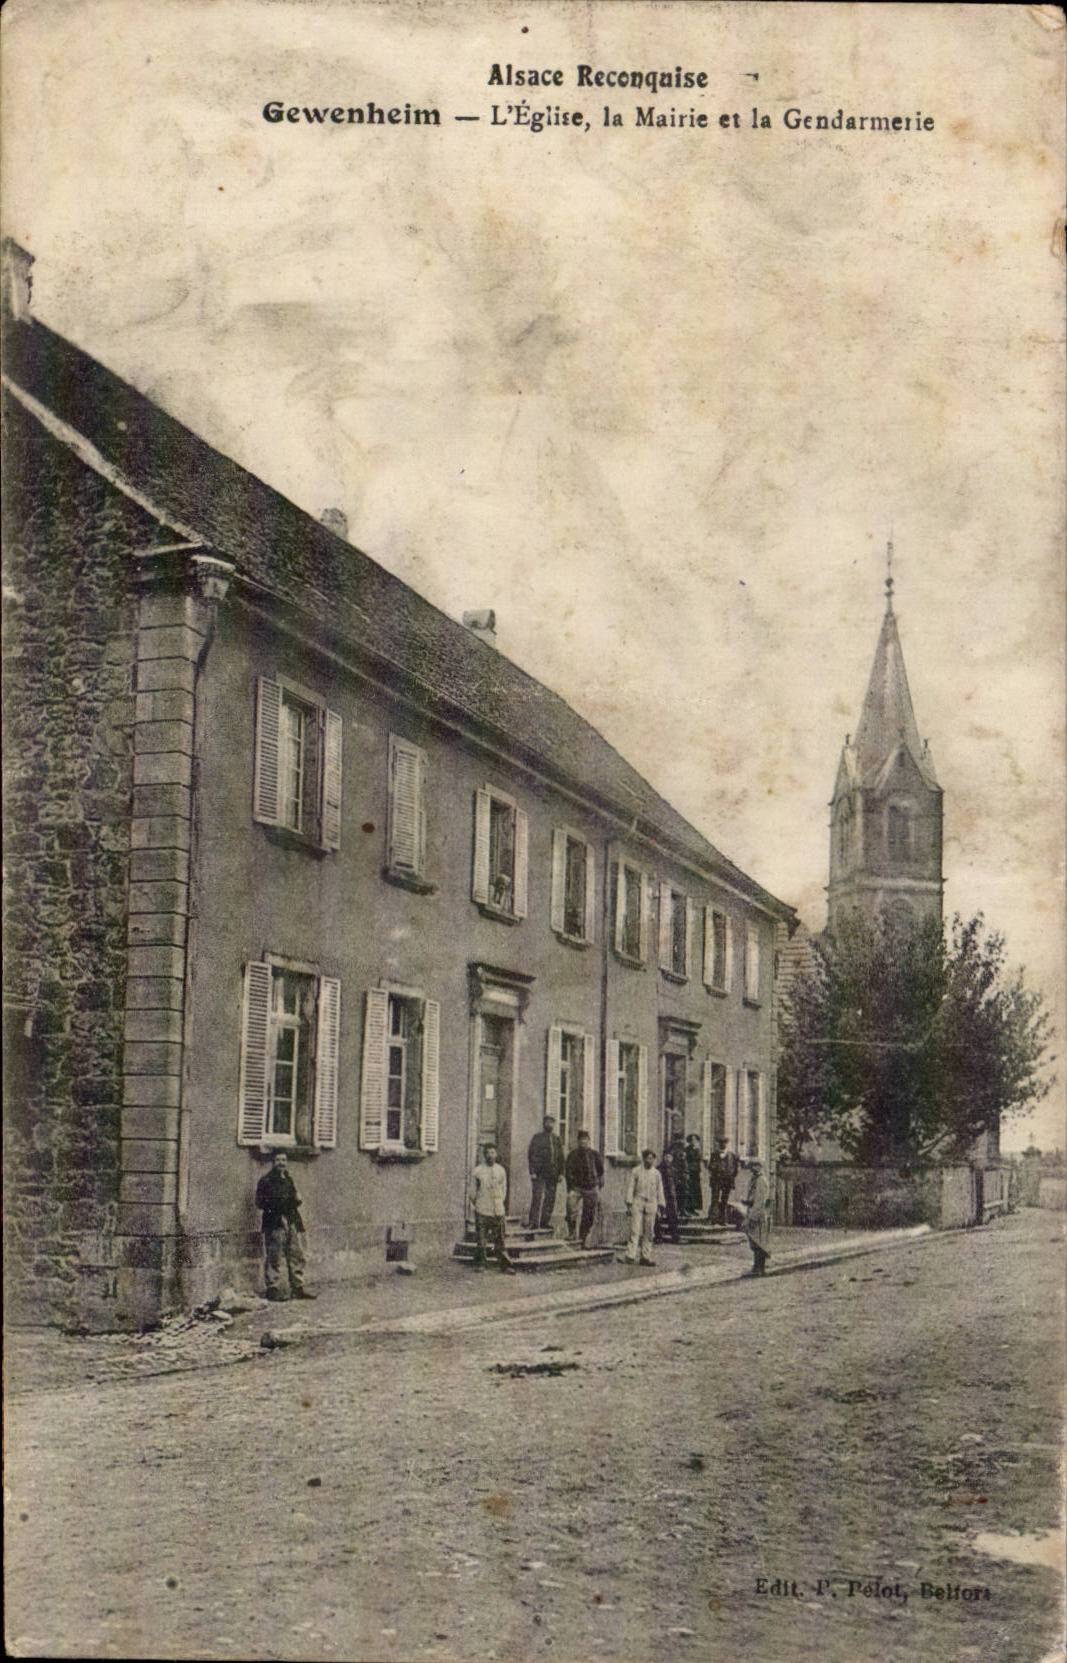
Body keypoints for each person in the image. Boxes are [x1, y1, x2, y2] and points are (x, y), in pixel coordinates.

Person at [255, 1150, 317, 1301]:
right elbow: (260, 1203)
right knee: (274, 1256)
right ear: (273, 1162)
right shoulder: (266, 1181)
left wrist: (297, 1200)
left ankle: (298, 1287)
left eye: (284, 1160)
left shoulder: (288, 1180)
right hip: (275, 1222)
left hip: (291, 1221)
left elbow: (295, 1199)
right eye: (278, 1160)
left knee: (296, 1255)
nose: (281, 1163)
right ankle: (273, 1289)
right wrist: (277, 1205)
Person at [469, 1143, 516, 1272]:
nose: (490, 1155)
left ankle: (504, 1266)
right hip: (482, 1209)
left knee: (500, 1240)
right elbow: (472, 1192)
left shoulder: (501, 1170)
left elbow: (504, 1190)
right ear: (484, 1155)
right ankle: (481, 1264)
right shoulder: (477, 1171)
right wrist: (479, 1203)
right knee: (481, 1240)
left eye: (493, 1152)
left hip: (497, 1210)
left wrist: (499, 1202)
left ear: (496, 1154)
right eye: (488, 1153)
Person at [624, 1148, 666, 1265]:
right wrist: (629, 1203)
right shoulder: (636, 1171)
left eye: (652, 1159)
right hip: (638, 1200)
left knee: (649, 1231)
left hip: (652, 1203)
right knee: (635, 1230)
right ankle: (630, 1255)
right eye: (648, 1158)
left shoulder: (657, 1174)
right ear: (643, 1159)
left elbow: (660, 1190)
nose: (650, 1161)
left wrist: (661, 1206)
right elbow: (631, 1187)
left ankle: (645, 1256)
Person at [564, 1130, 604, 1248]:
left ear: (589, 1140)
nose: (583, 1142)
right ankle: (572, 1232)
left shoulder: (595, 1155)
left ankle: (583, 1237)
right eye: (581, 1140)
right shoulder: (573, 1155)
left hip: (591, 1188)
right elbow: (568, 1172)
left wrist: (598, 1186)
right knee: (571, 1208)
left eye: (585, 1139)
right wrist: (570, 1187)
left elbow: (601, 1171)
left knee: (589, 1215)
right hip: (577, 1188)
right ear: (578, 1141)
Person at [527, 1115, 565, 1230]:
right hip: (539, 1173)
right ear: (544, 1124)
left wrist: (561, 1173)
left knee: (550, 1198)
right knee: (537, 1197)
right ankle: (533, 1222)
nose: (549, 1125)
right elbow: (531, 1155)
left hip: (553, 1174)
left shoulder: (557, 1139)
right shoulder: (537, 1138)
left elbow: (561, 1158)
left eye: (552, 1123)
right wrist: (532, 1171)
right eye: (547, 1122)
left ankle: (545, 1222)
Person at [743, 1158, 772, 1275]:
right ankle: (757, 1267)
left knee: (759, 1242)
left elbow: (760, 1201)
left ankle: (760, 1268)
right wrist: (747, 1201)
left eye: (755, 1166)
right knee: (754, 1242)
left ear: (760, 1167)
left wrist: (751, 1218)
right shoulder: (753, 1179)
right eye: (752, 1166)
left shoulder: (761, 1181)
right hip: (753, 1211)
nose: (752, 1168)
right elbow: (753, 1198)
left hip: (759, 1215)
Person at [707, 1137, 740, 1224]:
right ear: (718, 1144)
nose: (723, 1145)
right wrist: (715, 1168)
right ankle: (713, 1219)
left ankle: (723, 1220)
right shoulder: (714, 1155)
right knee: (714, 1199)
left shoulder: (733, 1156)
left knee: (724, 1200)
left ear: (727, 1144)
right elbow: (710, 1167)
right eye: (721, 1143)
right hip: (716, 1180)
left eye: (725, 1143)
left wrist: (731, 1177)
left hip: (727, 1181)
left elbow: (736, 1170)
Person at [655, 1149, 681, 1243]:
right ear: (663, 1157)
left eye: (670, 1157)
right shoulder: (658, 1169)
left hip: (671, 1196)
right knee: (658, 1216)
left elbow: (677, 1183)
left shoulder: (674, 1170)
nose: (668, 1159)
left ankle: (674, 1236)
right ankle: (658, 1236)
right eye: (666, 1156)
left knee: (673, 1216)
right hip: (661, 1195)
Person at [670, 1133, 690, 1219]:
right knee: (674, 1193)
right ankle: (675, 1210)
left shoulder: (683, 1152)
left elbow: (685, 1164)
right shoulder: (671, 1152)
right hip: (674, 1176)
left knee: (684, 1192)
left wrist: (686, 1173)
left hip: (683, 1176)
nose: (681, 1143)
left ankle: (682, 1210)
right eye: (678, 1142)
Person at [686, 1133, 704, 1217]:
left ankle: (694, 1209)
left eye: (695, 1140)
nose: (693, 1142)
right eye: (692, 1140)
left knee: (695, 1191)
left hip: (696, 1173)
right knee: (688, 1190)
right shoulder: (686, 1150)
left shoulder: (698, 1150)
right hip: (688, 1172)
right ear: (689, 1141)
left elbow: (699, 1161)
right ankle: (687, 1209)